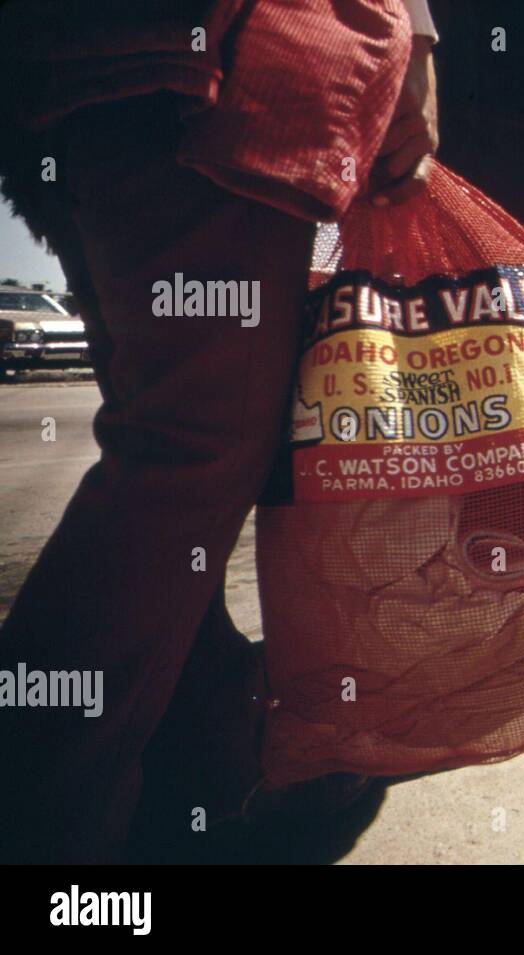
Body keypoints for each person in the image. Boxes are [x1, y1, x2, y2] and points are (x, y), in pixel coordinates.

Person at [0, 0, 440, 862]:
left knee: (174, 451)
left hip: (82, 73)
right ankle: (38, 808)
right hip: (201, 71)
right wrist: (416, 33)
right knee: (191, 453)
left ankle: (196, 764)